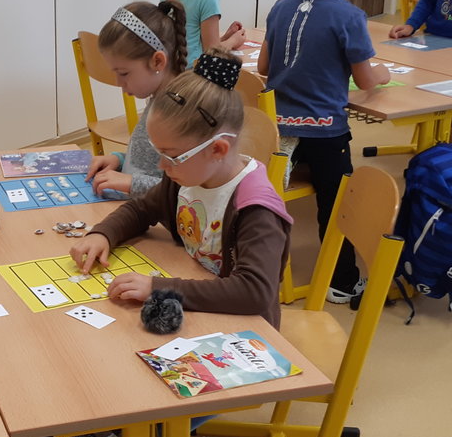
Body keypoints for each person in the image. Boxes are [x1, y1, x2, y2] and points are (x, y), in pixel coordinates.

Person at [72, 50, 291, 327]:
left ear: (217, 149)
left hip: (246, 329)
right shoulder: (185, 177)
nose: (162, 166)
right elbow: (140, 210)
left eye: (172, 156)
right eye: (158, 153)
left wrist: (159, 287)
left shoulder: (256, 209)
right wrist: (103, 234)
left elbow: (253, 292)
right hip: (198, 306)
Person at [258, 0, 391, 304]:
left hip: (278, 132)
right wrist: (382, 74)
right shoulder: (349, 16)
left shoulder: (280, 7)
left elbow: (264, 66)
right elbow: (365, 80)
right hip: (324, 132)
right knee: (337, 206)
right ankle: (342, 281)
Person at [85, 0, 188, 199]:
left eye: (123, 73)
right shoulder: (160, 97)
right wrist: (120, 160)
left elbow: (185, 190)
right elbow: (149, 165)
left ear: (157, 61)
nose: (118, 82)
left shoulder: (181, 111)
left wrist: (132, 183)